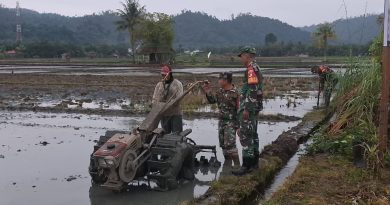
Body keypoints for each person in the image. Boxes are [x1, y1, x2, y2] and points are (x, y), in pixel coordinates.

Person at [232, 47, 263, 176]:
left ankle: (246, 165)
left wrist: (246, 108)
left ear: (247, 55)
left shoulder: (251, 69)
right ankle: (254, 164)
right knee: (253, 134)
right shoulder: (257, 67)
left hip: (249, 108)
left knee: (245, 136)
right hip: (255, 107)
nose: (241, 59)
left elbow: (253, 89)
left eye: (242, 56)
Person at [202, 72, 240, 169]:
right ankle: (227, 167)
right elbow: (212, 100)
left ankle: (237, 167)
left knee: (230, 145)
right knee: (223, 145)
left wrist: (239, 126)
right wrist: (207, 91)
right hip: (221, 122)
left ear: (226, 80)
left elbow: (240, 110)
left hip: (231, 122)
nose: (218, 81)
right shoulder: (220, 92)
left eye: (220, 79)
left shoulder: (236, 93)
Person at [152, 65, 184, 133]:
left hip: (175, 114)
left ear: (170, 74)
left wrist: (169, 104)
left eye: (165, 75)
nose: (164, 76)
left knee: (177, 135)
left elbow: (178, 100)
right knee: (165, 135)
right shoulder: (159, 85)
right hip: (164, 114)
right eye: (162, 75)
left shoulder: (177, 84)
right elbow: (155, 99)